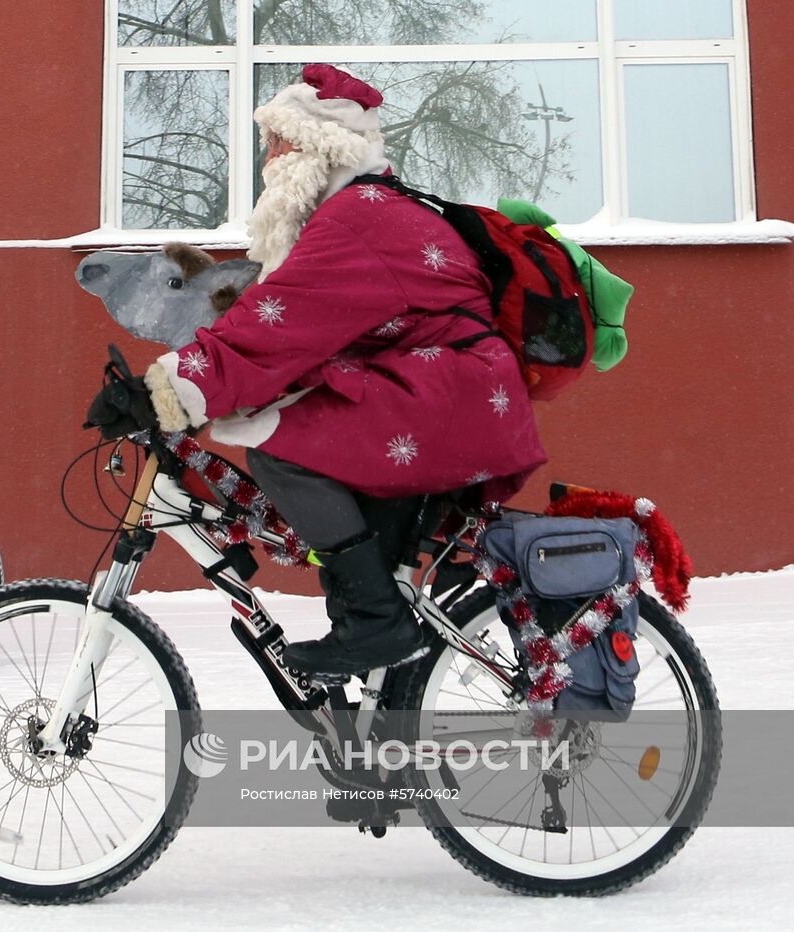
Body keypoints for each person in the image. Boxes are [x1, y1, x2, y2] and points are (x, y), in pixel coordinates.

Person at [137, 64, 548, 677]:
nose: (268, 160)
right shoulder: (363, 209)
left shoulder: (357, 221)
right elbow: (302, 333)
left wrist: (172, 388)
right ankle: (377, 682)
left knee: (279, 445)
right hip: (451, 394)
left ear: (318, 148)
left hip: (450, 397)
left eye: (278, 143)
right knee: (301, 431)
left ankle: (377, 623)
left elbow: (272, 327)